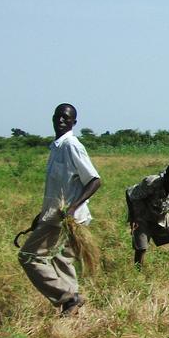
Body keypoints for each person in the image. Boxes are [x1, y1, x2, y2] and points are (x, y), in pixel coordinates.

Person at [17, 103, 102, 315]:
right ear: (53, 118)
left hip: (66, 218)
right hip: (55, 215)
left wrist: (72, 208)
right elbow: (60, 188)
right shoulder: (56, 147)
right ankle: (72, 311)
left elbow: (94, 180)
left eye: (66, 117)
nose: (61, 120)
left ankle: (68, 297)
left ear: (74, 122)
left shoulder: (71, 145)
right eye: (58, 116)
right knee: (63, 260)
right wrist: (41, 215)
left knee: (28, 256)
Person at [126, 163, 169, 270]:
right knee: (141, 248)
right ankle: (138, 272)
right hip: (143, 216)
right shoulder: (151, 183)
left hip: (161, 216)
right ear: (165, 177)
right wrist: (133, 218)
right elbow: (130, 193)